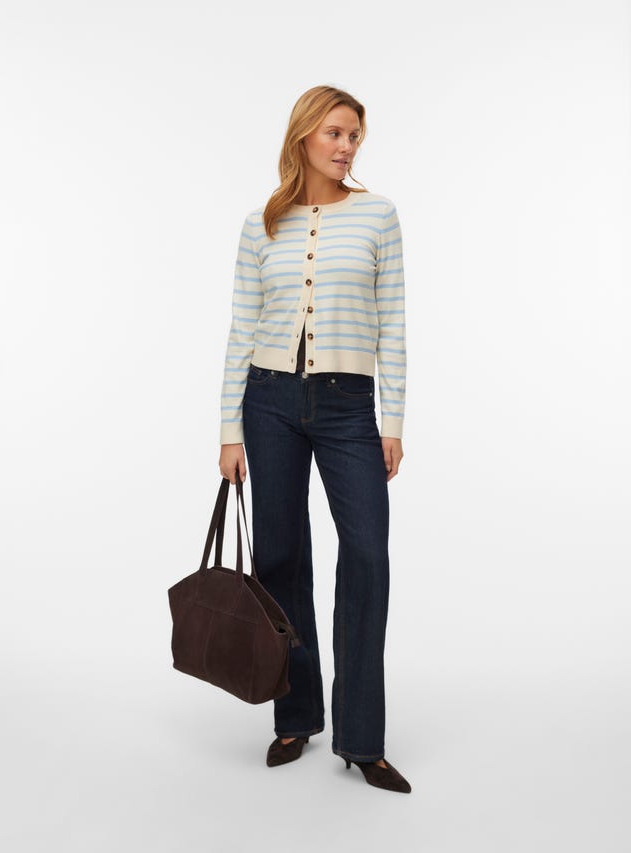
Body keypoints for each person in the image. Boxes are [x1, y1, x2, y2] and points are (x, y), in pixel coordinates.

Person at [218, 85, 410, 794]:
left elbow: (393, 323)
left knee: (366, 556)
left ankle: (362, 739)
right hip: (267, 401)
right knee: (280, 556)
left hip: (347, 404)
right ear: (304, 136)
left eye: (354, 135)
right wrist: (229, 430)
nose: (346, 146)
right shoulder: (261, 224)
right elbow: (241, 329)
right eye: (334, 132)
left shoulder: (378, 216)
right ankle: (295, 716)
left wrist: (391, 422)